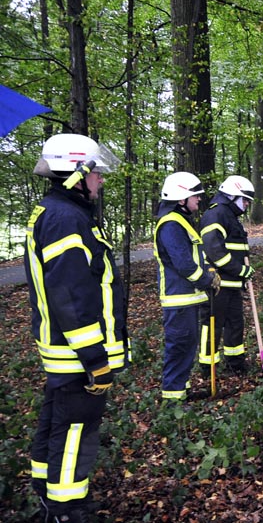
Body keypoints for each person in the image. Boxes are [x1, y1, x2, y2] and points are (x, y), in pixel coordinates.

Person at [24, 133, 129, 523]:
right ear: (76, 173)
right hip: (76, 355)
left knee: (55, 422)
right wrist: (94, 358)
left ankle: (46, 494)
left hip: (64, 352)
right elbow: (71, 295)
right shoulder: (66, 219)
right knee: (74, 431)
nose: (101, 179)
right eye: (96, 172)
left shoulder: (60, 213)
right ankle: (67, 510)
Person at [154, 172, 220, 402]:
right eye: (195, 196)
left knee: (186, 347)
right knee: (179, 347)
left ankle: (182, 391)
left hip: (187, 298)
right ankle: (173, 402)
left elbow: (194, 258)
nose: (199, 200)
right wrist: (207, 281)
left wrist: (209, 272)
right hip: (178, 299)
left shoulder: (180, 222)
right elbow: (183, 264)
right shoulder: (171, 224)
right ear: (181, 199)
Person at [198, 175, 255, 374]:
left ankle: (235, 363)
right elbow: (214, 250)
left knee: (235, 323)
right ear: (232, 196)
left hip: (232, 283)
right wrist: (240, 270)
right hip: (217, 283)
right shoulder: (216, 215)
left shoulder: (230, 216)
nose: (247, 204)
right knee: (213, 325)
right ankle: (208, 366)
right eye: (244, 199)